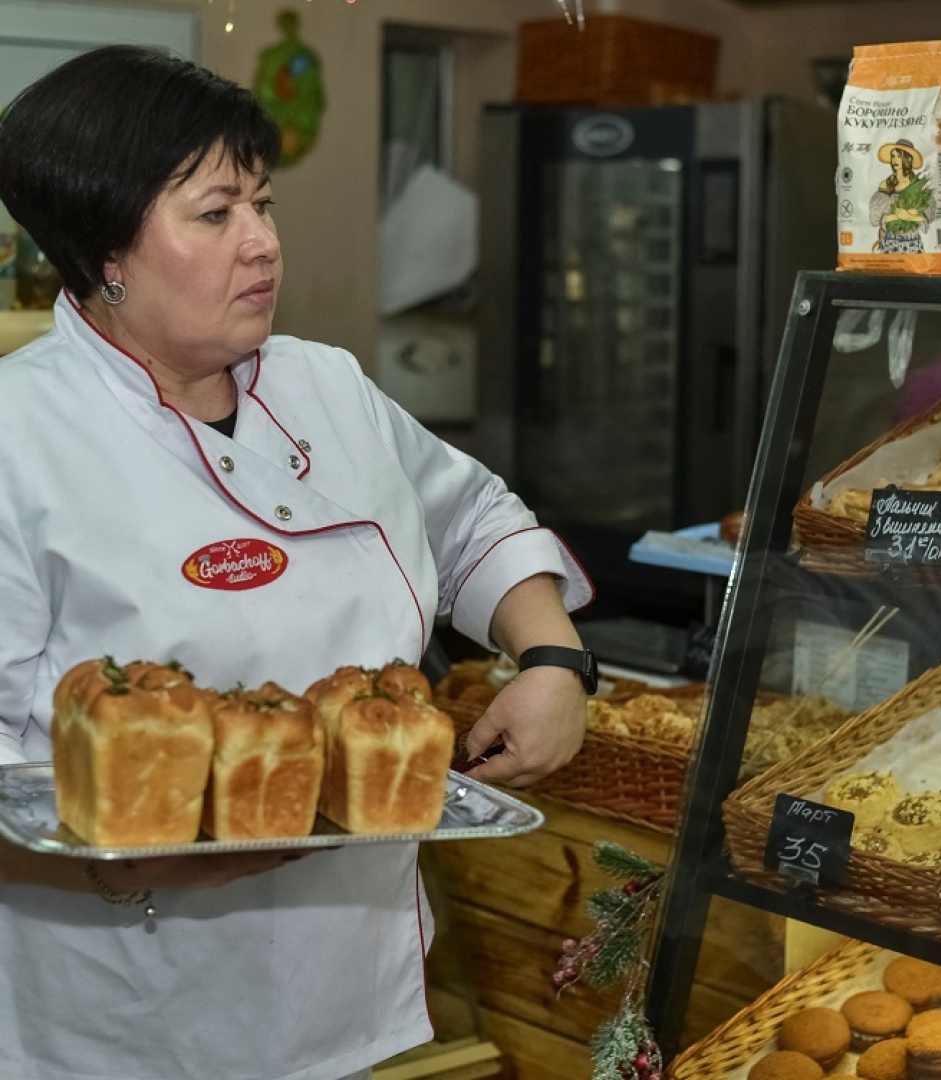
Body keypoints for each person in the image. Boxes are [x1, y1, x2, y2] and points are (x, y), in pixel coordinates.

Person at [0, 44, 593, 1080]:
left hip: (354, 985)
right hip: (128, 1015)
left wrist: (552, 659)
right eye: (216, 214)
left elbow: (474, 521)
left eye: (264, 205)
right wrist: (143, 861)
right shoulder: (20, 438)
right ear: (105, 250)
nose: (265, 243)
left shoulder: (328, 388)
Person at [869, 139, 937, 255]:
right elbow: (875, 218)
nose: (894, 160)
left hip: (913, 242)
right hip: (889, 241)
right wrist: (895, 216)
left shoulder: (919, 186)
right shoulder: (885, 185)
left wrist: (910, 217)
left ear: (908, 159)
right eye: (893, 156)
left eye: (899, 156)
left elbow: (929, 216)